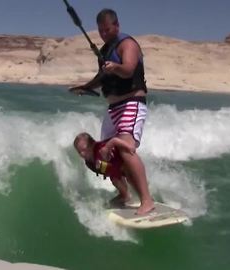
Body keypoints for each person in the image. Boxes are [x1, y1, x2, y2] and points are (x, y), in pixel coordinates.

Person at [69, 8, 154, 214]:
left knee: (125, 148)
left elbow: (129, 70)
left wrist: (115, 67)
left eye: (107, 29)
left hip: (131, 102)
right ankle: (125, 194)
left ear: (117, 25)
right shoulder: (105, 50)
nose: (104, 34)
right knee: (105, 156)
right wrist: (85, 87)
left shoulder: (128, 44)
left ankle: (147, 201)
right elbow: (101, 78)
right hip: (113, 108)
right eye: (101, 31)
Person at [73, 132, 134, 206]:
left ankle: (126, 196)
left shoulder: (100, 149)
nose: (82, 154)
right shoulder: (89, 161)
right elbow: (108, 169)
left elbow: (115, 140)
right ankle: (124, 194)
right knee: (116, 177)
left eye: (84, 149)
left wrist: (129, 147)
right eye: (79, 152)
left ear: (92, 145)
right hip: (117, 167)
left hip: (125, 162)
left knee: (116, 179)